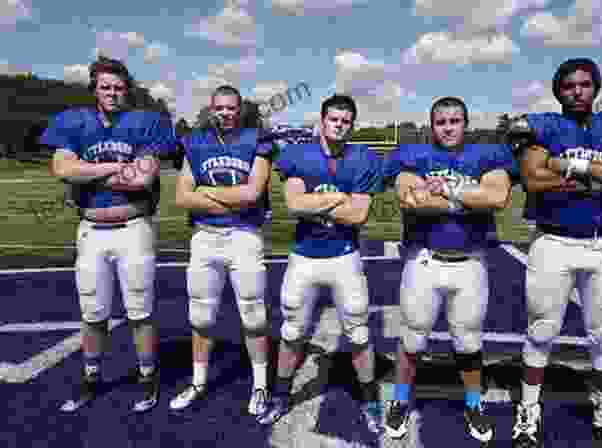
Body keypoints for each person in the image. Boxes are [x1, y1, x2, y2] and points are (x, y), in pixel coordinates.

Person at [508, 58, 602, 448]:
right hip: (553, 242)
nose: (577, 91)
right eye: (569, 85)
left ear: (596, 88)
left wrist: (573, 166)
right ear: (558, 90)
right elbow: (534, 178)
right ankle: (528, 411)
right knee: (541, 331)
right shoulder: (543, 127)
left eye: (585, 84)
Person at [41, 56, 174, 413]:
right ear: (94, 89)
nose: (112, 92)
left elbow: (143, 178)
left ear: (126, 89)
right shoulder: (74, 121)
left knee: (140, 311)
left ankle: (148, 376)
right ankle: (90, 377)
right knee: (92, 311)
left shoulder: (146, 122)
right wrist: (116, 166)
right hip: (91, 230)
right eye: (105, 86)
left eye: (118, 87)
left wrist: (85, 173)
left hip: (134, 227)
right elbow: (61, 168)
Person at [381, 96, 516, 444]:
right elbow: (412, 199)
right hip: (423, 261)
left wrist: (447, 190)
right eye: (441, 121)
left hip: (470, 262)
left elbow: (498, 197)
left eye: (455, 120)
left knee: (469, 342)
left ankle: (473, 404)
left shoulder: (488, 154)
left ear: (466, 124)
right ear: (432, 125)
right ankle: (399, 400)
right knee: (412, 339)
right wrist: (469, 196)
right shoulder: (414, 155)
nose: (448, 127)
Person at [256, 94, 384, 434]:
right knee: (292, 331)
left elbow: (358, 215)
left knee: (358, 332)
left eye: (345, 121)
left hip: (344, 256)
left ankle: (371, 401)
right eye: (333, 119)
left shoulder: (363, 157)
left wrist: (318, 203)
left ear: (351, 125)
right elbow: (294, 205)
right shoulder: (299, 154)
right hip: (304, 256)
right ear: (322, 120)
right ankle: (281, 395)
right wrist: (337, 198)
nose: (339, 125)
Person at [169, 86, 274, 417]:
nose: (225, 113)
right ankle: (198, 381)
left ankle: (260, 385)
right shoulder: (195, 142)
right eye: (220, 108)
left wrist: (206, 191)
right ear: (211, 109)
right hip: (204, 237)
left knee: (254, 316)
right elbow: (182, 197)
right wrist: (228, 196)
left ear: (240, 109)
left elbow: (253, 194)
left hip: (244, 235)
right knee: (200, 315)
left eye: (231, 108)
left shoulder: (257, 140)